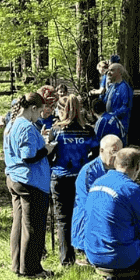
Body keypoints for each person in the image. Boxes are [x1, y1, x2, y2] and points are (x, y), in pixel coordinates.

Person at [83, 147, 140, 280]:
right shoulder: (132, 188)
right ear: (137, 167)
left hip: (92, 251)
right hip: (118, 256)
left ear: (116, 163)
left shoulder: (97, 182)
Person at [3, 91, 56, 277]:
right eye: (40, 112)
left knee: (18, 225)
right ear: (33, 108)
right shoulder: (26, 127)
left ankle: (17, 265)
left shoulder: (11, 123)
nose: (40, 115)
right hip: (30, 181)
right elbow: (29, 156)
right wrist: (47, 149)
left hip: (15, 178)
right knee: (34, 227)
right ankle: (31, 269)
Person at [50, 94, 97, 267]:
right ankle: (86, 253)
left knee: (63, 218)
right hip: (82, 177)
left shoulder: (56, 130)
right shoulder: (88, 130)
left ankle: (66, 259)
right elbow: (96, 153)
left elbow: (51, 153)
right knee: (84, 214)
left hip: (61, 176)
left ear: (62, 110)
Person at [71, 135, 123, 266]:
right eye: (113, 152)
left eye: (120, 152)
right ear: (101, 151)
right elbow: (89, 203)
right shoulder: (90, 171)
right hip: (90, 217)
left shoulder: (120, 169)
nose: (117, 156)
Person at [104, 62, 133, 142]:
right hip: (109, 124)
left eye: (112, 70)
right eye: (108, 70)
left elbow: (126, 107)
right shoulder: (112, 86)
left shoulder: (124, 87)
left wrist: (113, 115)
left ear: (119, 72)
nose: (108, 73)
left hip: (120, 125)